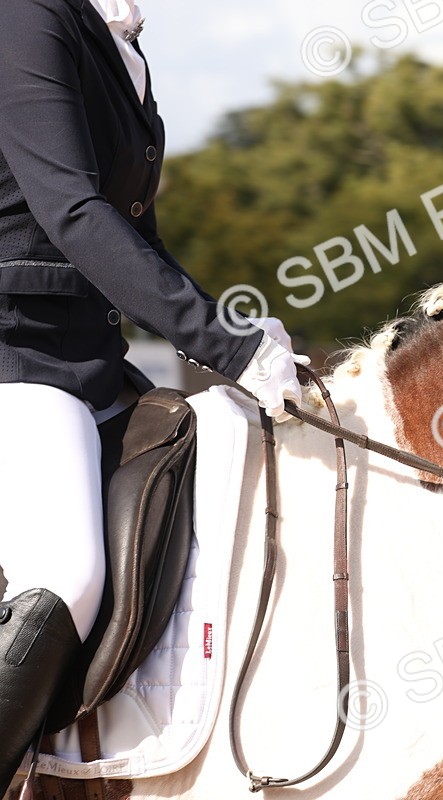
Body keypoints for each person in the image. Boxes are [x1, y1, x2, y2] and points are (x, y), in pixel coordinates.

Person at [0, 0, 306, 787]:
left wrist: (235, 329)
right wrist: (225, 347)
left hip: (91, 361)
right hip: (15, 354)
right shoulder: (26, 15)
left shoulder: (119, 41)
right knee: (66, 574)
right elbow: (73, 212)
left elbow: (137, 239)